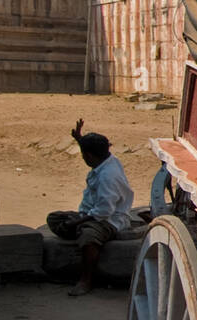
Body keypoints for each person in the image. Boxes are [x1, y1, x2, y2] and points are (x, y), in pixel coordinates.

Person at [47, 119, 134, 296]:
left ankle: (86, 279)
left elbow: (103, 212)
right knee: (54, 218)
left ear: (89, 156)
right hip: (90, 213)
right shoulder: (107, 159)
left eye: (84, 154)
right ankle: (79, 229)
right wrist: (79, 138)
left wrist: (77, 222)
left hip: (109, 220)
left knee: (88, 235)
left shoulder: (108, 177)